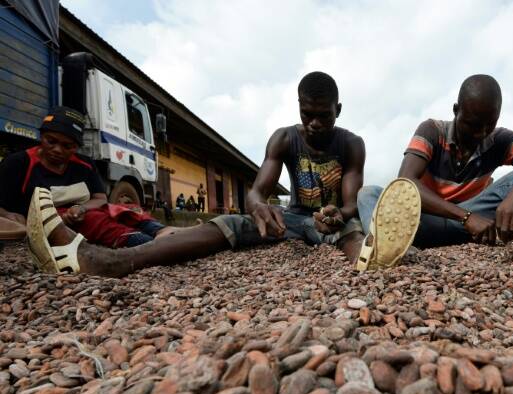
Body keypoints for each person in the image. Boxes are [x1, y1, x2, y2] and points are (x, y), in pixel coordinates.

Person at [25, 72, 367, 277]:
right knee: (230, 224)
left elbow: (350, 204)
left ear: (338, 109)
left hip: (333, 222)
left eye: (324, 116)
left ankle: (371, 262)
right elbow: (255, 193)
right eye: (308, 114)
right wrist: (259, 208)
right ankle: (112, 262)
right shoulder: (284, 138)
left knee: (352, 230)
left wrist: (338, 214)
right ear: (298, 107)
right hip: (292, 219)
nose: (315, 124)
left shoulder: (351, 144)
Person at [358, 74, 513, 260]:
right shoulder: (432, 131)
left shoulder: (500, 139)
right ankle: (386, 251)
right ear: (456, 110)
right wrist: (466, 217)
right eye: (472, 125)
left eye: (489, 124)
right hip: (425, 220)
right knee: (368, 194)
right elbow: (406, 182)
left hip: (479, 222)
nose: (481, 133)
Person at [0, 107, 172, 249]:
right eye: (51, 141)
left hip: (80, 212)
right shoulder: (18, 163)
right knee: (96, 221)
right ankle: (148, 245)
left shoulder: (85, 165)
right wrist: (10, 216)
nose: (58, 150)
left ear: (76, 147)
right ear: (41, 137)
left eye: (67, 146)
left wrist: (81, 208)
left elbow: (100, 198)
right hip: (44, 221)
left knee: (126, 209)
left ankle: (163, 232)